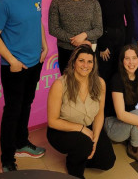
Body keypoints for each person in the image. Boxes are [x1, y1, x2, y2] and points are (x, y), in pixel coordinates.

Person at [0, 0, 48, 172]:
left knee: (27, 105)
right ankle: (7, 159)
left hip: (35, 63)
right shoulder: (3, 2)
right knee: (12, 111)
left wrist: (44, 46)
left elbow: (38, 21)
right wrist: (12, 60)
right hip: (14, 67)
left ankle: (22, 143)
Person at [47, 45, 115, 179]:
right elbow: (52, 121)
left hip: (88, 126)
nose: (86, 65)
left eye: (90, 61)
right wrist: (82, 129)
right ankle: (74, 169)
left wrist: (95, 138)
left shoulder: (100, 83)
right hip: (61, 130)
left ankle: (81, 155)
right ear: (73, 62)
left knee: (108, 161)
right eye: (81, 60)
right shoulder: (60, 85)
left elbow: (100, 113)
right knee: (84, 143)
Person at [48, 0, 103, 74]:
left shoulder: (93, 2)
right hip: (66, 51)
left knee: (87, 86)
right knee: (68, 85)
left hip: (88, 52)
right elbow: (53, 29)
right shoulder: (58, 0)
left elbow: (98, 29)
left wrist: (84, 35)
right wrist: (77, 41)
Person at [91, 0, 134, 84]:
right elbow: (94, 24)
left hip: (121, 42)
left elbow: (130, 21)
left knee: (121, 76)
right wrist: (102, 45)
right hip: (105, 45)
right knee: (105, 77)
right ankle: (106, 102)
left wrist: (128, 45)